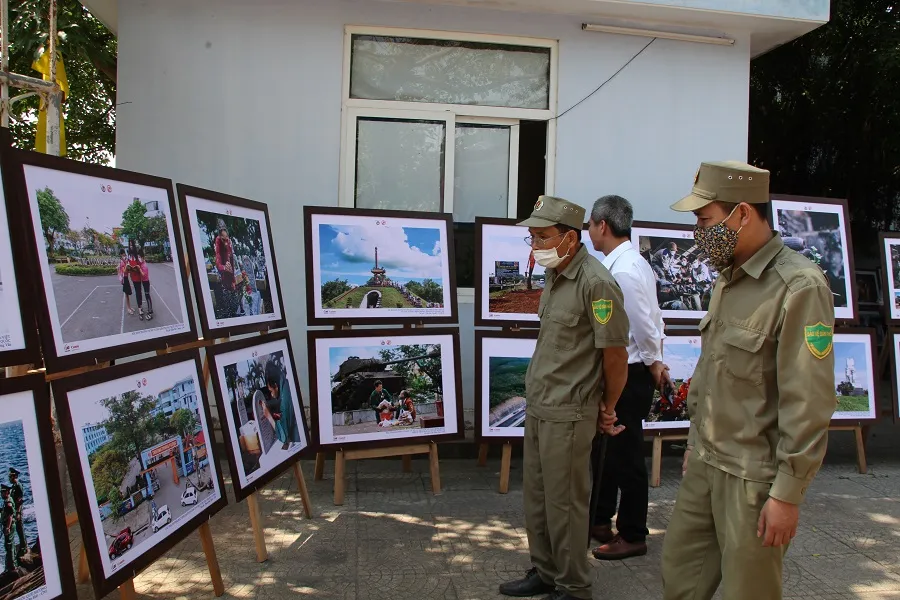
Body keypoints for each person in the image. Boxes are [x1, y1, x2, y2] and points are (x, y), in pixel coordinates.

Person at [660, 161, 836, 600]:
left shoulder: (798, 287)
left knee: (749, 592)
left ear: (741, 214)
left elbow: (808, 400)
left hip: (753, 479)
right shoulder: (728, 278)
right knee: (679, 578)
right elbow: (711, 372)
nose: (698, 232)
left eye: (705, 220)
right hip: (706, 460)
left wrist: (787, 494)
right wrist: (696, 443)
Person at [499, 195, 630, 600]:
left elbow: (615, 356)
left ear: (571, 238)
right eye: (532, 238)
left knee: (567, 504)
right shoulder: (555, 274)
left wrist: (606, 407)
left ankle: (574, 586)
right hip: (540, 405)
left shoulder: (598, 284)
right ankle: (546, 570)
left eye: (542, 236)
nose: (536, 245)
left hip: (570, 413)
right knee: (536, 499)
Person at [586, 195, 670, 560]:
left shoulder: (622, 271)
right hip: (631, 368)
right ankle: (599, 519)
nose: (588, 232)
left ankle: (633, 533)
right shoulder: (634, 263)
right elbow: (656, 318)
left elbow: (641, 325)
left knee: (625, 455)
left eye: (589, 225)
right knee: (605, 450)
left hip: (630, 371)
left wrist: (654, 362)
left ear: (602, 225)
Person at [265, 360, 300, 450]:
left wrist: (268, 416)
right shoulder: (287, 384)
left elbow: (283, 437)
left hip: (297, 441)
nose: (272, 395)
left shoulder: (284, 400)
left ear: (275, 386)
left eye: (271, 391)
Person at [8, 468, 24, 557]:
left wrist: (18, 513)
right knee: (18, 529)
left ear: (14, 476)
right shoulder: (13, 486)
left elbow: (20, 500)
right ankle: (22, 546)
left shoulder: (18, 485)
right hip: (14, 511)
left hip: (18, 511)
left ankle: (24, 547)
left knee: (20, 529)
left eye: (10, 476)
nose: (9, 478)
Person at [137, 249, 154, 320]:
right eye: (138, 257)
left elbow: (143, 275)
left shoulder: (144, 266)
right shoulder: (141, 264)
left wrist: (139, 269)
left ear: (143, 257)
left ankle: (150, 312)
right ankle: (150, 310)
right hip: (143, 282)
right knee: (146, 295)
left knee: (147, 296)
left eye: (139, 257)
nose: (139, 258)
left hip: (146, 282)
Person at [1, 484, 14, 573]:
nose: (1, 494)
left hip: (8, 525)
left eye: (2, 492)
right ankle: (11, 564)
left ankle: (12, 566)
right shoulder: (6, 500)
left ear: (7, 492)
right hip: (7, 525)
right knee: (8, 545)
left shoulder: (8, 502)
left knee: (9, 545)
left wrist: (8, 527)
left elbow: (10, 516)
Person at [117, 249, 135, 316]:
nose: (125, 254)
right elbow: (123, 271)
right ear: (121, 254)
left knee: (128, 293)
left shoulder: (124, 260)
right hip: (124, 279)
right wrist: (127, 266)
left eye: (125, 253)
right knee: (127, 294)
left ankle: (129, 307)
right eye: (124, 253)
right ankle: (128, 308)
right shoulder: (121, 262)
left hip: (126, 277)